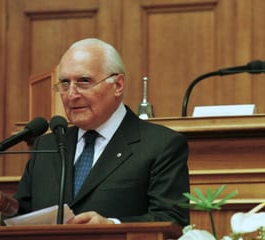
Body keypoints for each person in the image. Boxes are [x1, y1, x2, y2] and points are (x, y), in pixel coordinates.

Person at [13, 38, 190, 226]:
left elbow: (172, 221)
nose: (72, 95)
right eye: (65, 83)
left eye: (84, 81)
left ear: (118, 85)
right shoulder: (47, 146)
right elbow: (17, 217)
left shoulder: (160, 145)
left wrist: (112, 226)